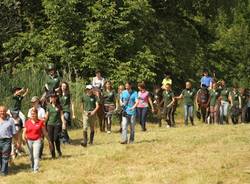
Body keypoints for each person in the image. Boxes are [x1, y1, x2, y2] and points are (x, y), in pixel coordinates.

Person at [23, 108, 51, 173]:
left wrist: (49, 141)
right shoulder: (27, 122)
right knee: (31, 156)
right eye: (32, 114)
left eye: (34, 114)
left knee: (36, 155)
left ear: (36, 114)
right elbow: (24, 132)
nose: (33, 115)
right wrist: (23, 138)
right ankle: (32, 167)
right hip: (29, 141)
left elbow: (45, 132)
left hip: (37, 140)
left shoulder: (40, 122)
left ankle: (36, 169)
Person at [45, 93, 66, 158]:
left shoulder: (59, 106)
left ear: (56, 98)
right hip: (50, 124)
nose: (52, 98)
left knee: (56, 138)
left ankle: (59, 151)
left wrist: (63, 123)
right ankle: (53, 155)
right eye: (51, 97)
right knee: (50, 140)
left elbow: (61, 115)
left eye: (54, 97)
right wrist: (43, 123)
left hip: (57, 124)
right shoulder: (48, 106)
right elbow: (46, 116)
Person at [0, 106, 17, 176]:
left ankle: (4, 172)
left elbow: (14, 132)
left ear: (6, 111)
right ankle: (3, 169)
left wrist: (16, 142)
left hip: (7, 141)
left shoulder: (11, 120)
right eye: (1, 111)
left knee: (5, 156)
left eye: (3, 111)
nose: (2, 112)